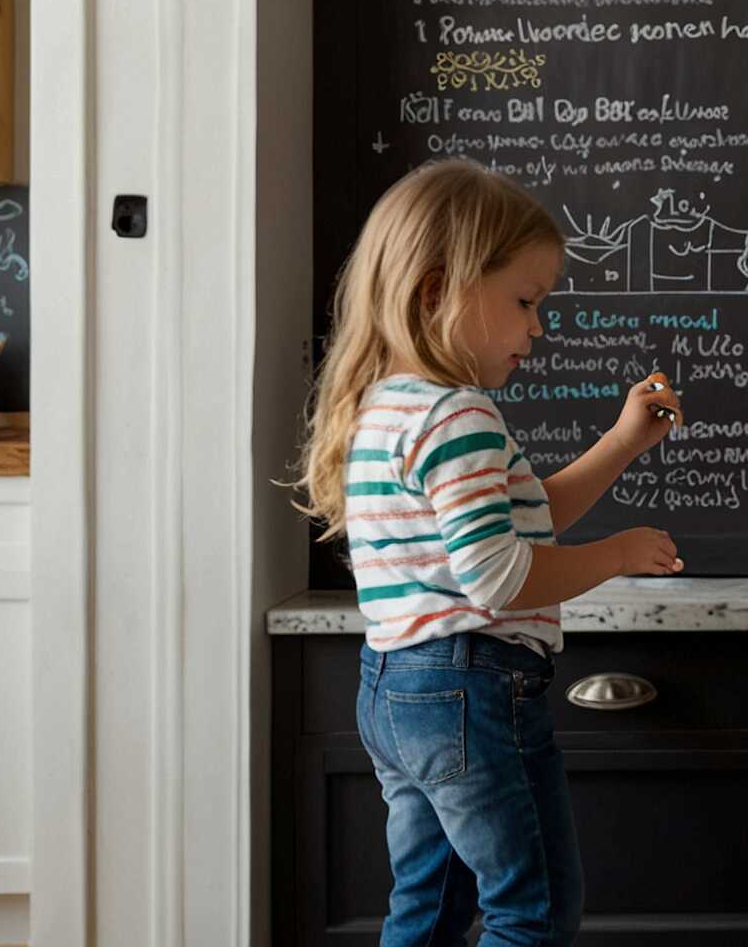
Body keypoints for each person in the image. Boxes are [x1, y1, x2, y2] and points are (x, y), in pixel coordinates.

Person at [291, 157, 685, 947]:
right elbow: (500, 578)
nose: (538, 326)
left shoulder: (386, 406)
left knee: (427, 911)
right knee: (529, 914)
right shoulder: (458, 414)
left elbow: (523, 519)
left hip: (399, 690)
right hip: (470, 688)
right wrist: (617, 553)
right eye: (525, 301)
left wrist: (621, 442)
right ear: (439, 290)